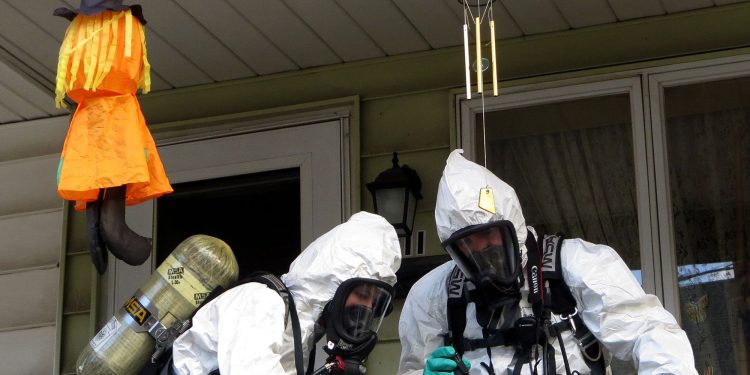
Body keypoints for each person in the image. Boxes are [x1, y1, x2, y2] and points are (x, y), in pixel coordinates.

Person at [397, 149, 698, 375]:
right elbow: (413, 367)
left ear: (510, 226)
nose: (482, 250)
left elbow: (650, 334)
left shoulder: (576, 265)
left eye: (489, 236)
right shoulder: (433, 295)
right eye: (468, 244)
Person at [170, 211, 401, 375]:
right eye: (362, 293)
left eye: (376, 302)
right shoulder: (260, 303)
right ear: (333, 282)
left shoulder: (301, 334)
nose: (368, 307)